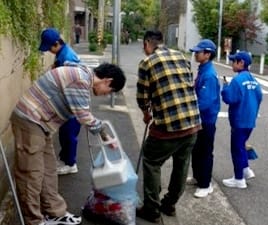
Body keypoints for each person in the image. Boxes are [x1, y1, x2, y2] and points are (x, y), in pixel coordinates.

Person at [10, 62, 126, 225]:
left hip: (42, 124)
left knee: (49, 172)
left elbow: (83, 112)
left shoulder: (83, 76)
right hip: (30, 120)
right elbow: (84, 117)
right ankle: (33, 221)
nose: (106, 95)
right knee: (32, 174)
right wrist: (106, 137)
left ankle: (54, 213)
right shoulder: (80, 80)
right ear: (107, 81)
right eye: (110, 91)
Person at [136, 30, 201, 223]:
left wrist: (146, 114)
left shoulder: (147, 62)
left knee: (151, 160)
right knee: (182, 165)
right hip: (193, 124)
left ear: (148, 43)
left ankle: (152, 210)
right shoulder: (181, 56)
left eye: (144, 46)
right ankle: (169, 205)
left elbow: (142, 97)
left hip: (168, 126)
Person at [39, 27, 82, 175]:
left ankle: (71, 164)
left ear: (56, 43)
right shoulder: (62, 53)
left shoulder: (67, 58)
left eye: (49, 47)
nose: (49, 51)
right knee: (64, 133)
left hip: (72, 102)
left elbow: (69, 82)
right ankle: (64, 159)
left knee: (69, 134)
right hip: (67, 101)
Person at [221, 51, 262, 189]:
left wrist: (225, 86)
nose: (232, 64)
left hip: (239, 120)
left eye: (234, 61)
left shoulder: (237, 81)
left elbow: (229, 99)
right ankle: (245, 169)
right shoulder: (253, 80)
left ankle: (238, 179)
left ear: (241, 63)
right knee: (242, 145)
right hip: (250, 120)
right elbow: (259, 97)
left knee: (237, 149)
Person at [187, 39, 220, 198]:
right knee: (196, 149)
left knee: (205, 151)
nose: (195, 54)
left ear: (207, 54)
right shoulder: (203, 70)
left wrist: (189, 111)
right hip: (199, 120)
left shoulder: (209, 75)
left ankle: (205, 184)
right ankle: (197, 177)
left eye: (198, 52)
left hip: (206, 120)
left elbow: (205, 103)